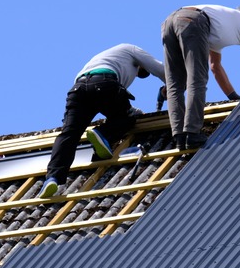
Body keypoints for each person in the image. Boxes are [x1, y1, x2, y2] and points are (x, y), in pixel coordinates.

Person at [38, 43, 165, 199]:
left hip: (78, 89)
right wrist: (175, 85)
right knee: (129, 117)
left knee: (69, 134)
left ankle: (53, 178)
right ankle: (102, 133)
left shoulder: (107, 58)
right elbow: (160, 69)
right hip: (104, 83)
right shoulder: (131, 49)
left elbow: (108, 94)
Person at [161, 5, 240, 151]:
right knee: (197, 79)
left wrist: (232, 96)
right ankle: (192, 133)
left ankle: (179, 136)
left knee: (175, 84)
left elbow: (215, 66)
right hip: (192, 21)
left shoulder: (222, 24)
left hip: (169, 23)